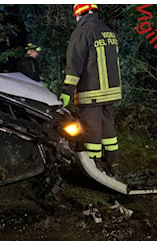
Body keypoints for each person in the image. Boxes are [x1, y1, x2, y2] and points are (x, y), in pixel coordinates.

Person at [60, 4, 122, 176]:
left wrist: (67, 91)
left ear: (79, 14)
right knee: (108, 127)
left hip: (92, 92)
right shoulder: (108, 31)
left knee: (91, 129)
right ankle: (113, 164)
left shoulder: (82, 32)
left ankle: (94, 168)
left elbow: (74, 66)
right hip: (112, 92)